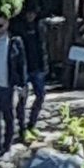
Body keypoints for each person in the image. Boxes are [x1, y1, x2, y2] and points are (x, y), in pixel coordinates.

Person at [0, 14, 24, 154]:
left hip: (7, 84)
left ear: (7, 24)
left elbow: (21, 64)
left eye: (0, 26)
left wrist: (22, 84)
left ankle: (7, 146)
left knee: (8, 116)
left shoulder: (14, 42)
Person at [15, 9, 49, 141]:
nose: (30, 15)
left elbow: (44, 47)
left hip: (37, 67)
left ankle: (32, 124)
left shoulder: (39, 27)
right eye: (28, 12)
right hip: (24, 68)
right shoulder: (19, 28)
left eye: (33, 13)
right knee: (23, 99)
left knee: (40, 96)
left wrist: (45, 65)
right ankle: (22, 128)